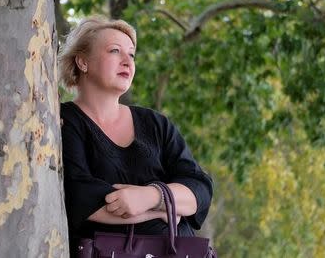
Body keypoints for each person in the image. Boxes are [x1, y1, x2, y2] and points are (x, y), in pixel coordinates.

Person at [58, 16, 213, 256]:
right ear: (83, 62)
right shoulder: (65, 121)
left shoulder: (155, 123)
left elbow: (199, 191)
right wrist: (166, 208)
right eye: (115, 51)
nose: (127, 61)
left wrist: (152, 196)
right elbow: (80, 198)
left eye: (131, 54)